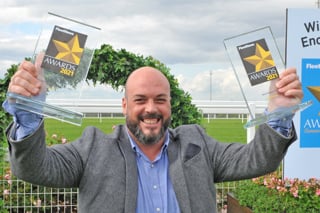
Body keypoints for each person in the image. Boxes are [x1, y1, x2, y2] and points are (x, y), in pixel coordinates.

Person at [3, 60, 303, 213]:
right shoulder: (92, 147)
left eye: (160, 99)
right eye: (140, 100)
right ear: (124, 105)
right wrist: (28, 114)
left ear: (170, 104)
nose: (151, 109)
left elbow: (257, 160)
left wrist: (277, 113)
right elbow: (33, 167)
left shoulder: (197, 143)